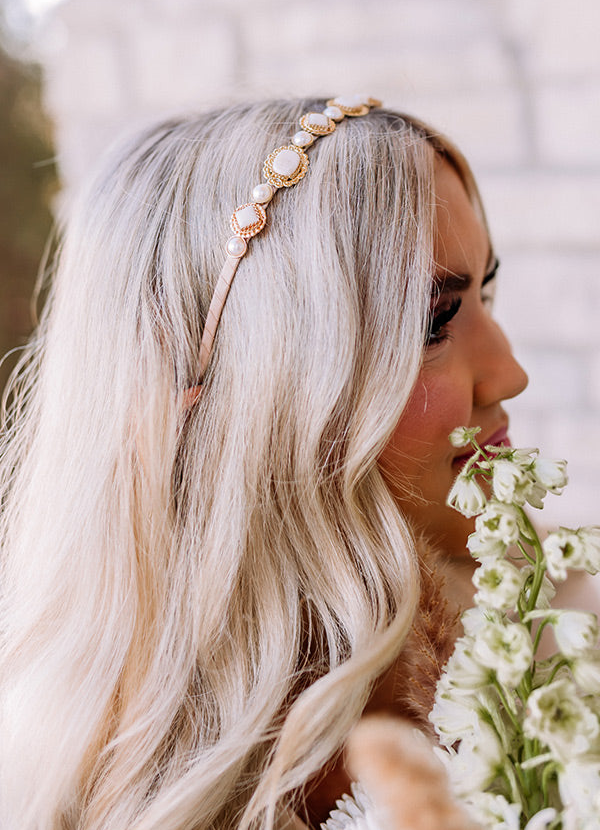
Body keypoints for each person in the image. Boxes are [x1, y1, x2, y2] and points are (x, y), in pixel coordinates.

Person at [0, 96, 528, 830]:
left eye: (486, 295)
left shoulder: (541, 651)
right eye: (429, 322)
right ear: (252, 407)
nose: (510, 375)